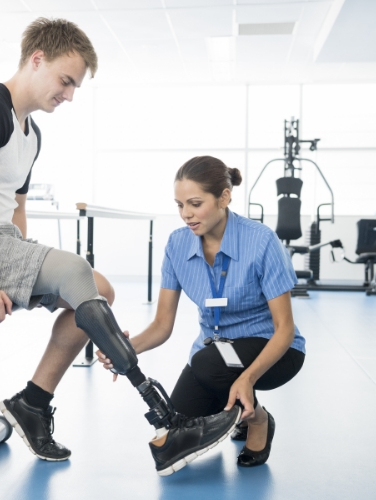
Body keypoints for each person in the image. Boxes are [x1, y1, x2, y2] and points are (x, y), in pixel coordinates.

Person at [0, 18, 240, 476]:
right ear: (36, 58)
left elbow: (15, 209)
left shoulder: (30, 132)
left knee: (98, 290)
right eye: (66, 81)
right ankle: (164, 419)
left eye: (75, 87)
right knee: (74, 269)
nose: (68, 95)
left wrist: (23, 266)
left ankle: (32, 403)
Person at [98, 155, 306, 467]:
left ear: (224, 197)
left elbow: (284, 329)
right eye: (180, 205)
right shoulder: (178, 245)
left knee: (208, 362)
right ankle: (235, 407)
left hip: (273, 348)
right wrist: (123, 350)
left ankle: (258, 419)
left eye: (195, 203)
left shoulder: (261, 241)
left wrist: (247, 379)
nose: (186, 214)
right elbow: (162, 324)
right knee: (175, 425)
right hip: (215, 356)